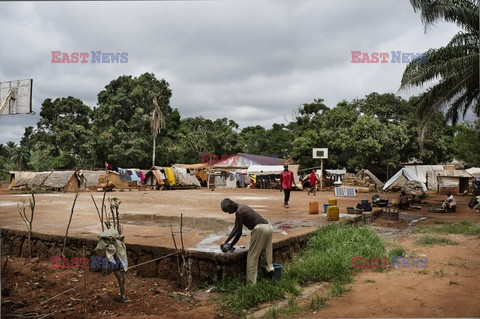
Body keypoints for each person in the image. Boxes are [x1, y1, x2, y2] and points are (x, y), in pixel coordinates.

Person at [219, 198, 274, 284]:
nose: (228, 213)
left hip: (260, 229)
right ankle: (272, 279)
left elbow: (239, 233)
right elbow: (235, 228)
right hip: (268, 227)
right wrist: (226, 242)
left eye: (227, 211)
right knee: (267, 254)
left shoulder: (239, 212)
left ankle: (251, 285)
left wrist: (230, 245)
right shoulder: (242, 207)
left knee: (252, 257)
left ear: (230, 206)